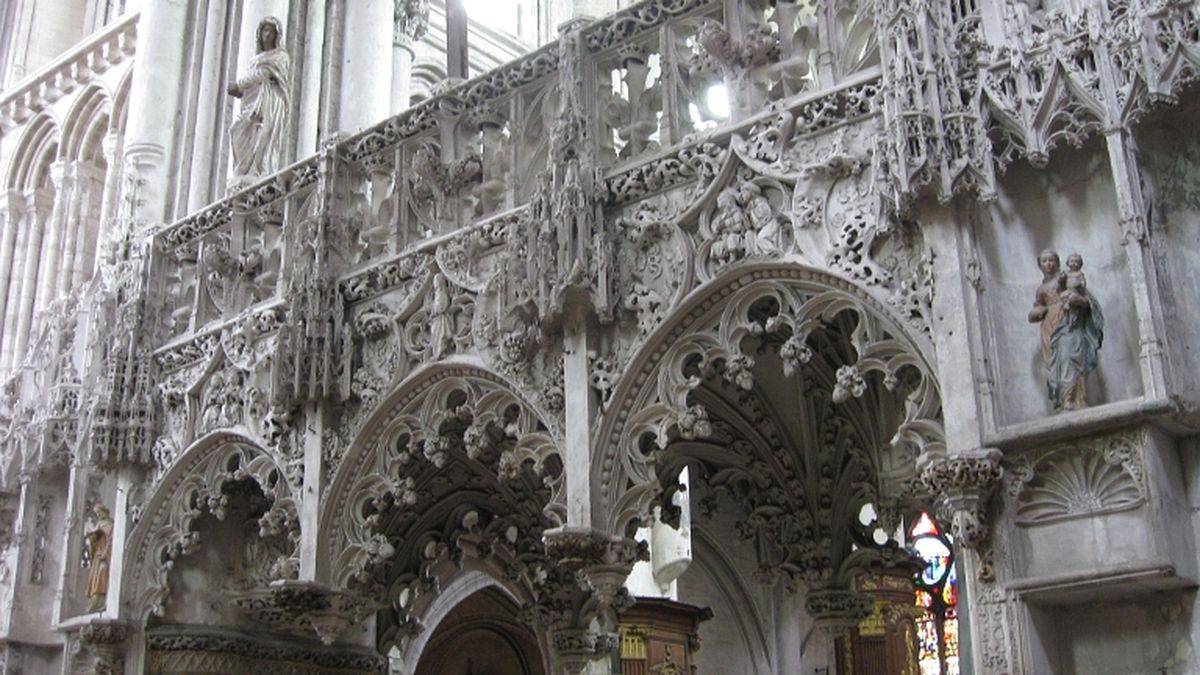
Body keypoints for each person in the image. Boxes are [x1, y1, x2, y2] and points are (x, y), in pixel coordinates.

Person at [1027, 249, 1104, 411]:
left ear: (1057, 262)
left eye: (1051, 260)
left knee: (1071, 358)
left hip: (1069, 323)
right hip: (1049, 327)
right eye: (1044, 261)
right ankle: (1063, 400)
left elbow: (1087, 301)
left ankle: (1076, 399)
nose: (1048, 264)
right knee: (1056, 366)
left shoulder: (1068, 278)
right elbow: (1038, 307)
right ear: (1040, 265)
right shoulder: (1041, 289)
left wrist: (1078, 300)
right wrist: (1036, 313)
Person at [228, 17, 290, 189]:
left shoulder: (280, 56)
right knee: (237, 129)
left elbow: (264, 74)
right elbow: (255, 80)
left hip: (270, 102)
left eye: (270, 31)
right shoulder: (256, 58)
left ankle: (259, 169)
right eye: (264, 30)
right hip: (254, 101)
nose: (267, 34)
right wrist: (242, 91)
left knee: (263, 134)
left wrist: (239, 84)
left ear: (276, 35)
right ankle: (244, 169)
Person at [83, 505, 113, 613]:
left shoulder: (111, 525)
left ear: (105, 512)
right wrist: (91, 540)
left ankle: (101, 600)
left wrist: (105, 554)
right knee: (96, 577)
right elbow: (93, 540)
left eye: (99, 512)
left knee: (103, 572)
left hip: (105, 556)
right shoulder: (98, 525)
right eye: (97, 514)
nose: (98, 515)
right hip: (97, 556)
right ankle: (95, 600)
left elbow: (111, 541)